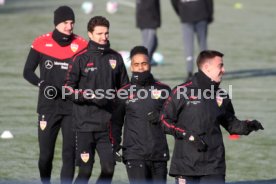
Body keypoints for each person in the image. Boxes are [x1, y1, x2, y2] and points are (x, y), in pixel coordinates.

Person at [160, 50, 264, 184]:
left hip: (214, 166)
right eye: (220, 65)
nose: (224, 70)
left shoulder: (221, 95)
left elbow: (232, 125)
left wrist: (248, 126)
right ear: (207, 68)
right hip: (186, 166)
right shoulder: (182, 91)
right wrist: (186, 134)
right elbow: (163, 120)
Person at [23, 6, 87, 184]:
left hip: (72, 108)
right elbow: (27, 71)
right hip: (48, 106)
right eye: (65, 22)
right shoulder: (41, 43)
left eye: (72, 23)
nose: (69, 26)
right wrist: (41, 84)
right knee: (45, 156)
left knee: (69, 154)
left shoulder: (82, 45)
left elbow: (89, 74)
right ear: (56, 23)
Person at [63, 16, 129, 184]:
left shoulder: (116, 58)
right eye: (99, 33)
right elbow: (68, 89)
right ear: (90, 34)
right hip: (84, 125)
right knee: (85, 171)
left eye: (106, 33)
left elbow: (125, 87)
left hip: (107, 127)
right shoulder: (80, 58)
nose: (104, 37)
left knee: (109, 169)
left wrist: (116, 99)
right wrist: (90, 96)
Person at [111, 46, 170, 184]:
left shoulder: (164, 90)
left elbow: (174, 119)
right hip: (134, 155)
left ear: (150, 64)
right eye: (136, 64)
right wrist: (114, 146)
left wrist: (161, 116)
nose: (141, 68)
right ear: (131, 67)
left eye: (144, 63)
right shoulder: (123, 93)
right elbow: (116, 123)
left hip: (159, 154)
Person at [171, 0, 213, 80]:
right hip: (201, 13)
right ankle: (205, 72)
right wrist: (210, 14)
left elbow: (174, 2)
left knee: (188, 46)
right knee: (202, 44)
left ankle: (189, 72)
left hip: (186, 14)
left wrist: (180, 12)